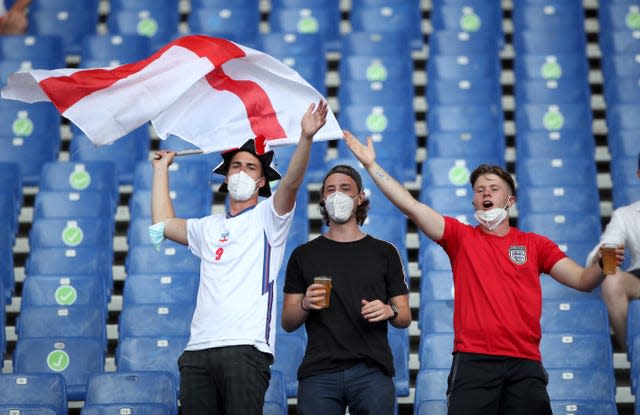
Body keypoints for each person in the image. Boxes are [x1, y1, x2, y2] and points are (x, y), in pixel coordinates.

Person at [342, 130, 625, 415]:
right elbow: (411, 206)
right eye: (479, 190)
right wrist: (370, 165)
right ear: (474, 202)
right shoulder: (460, 237)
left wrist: (602, 265)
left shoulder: (535, 244)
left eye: (493, 187)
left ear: (510, 200)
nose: (486, 192)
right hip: (473, 362)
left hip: (524, 363)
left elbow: (582, 280)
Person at [149, 100, 329, 415]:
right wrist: (160, 171)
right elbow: (161, 227)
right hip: (197, 352)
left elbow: (292, 183)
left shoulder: (269, 217)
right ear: (225, 177)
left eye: (250, 167)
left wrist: (306, 138)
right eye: (236, 166)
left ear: (261, 182)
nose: (241, 172)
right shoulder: (208, 226)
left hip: (246, 350)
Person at [281, 164, 411, 415]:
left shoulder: (385, 252)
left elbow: (404, 317)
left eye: (345, 188)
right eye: (331, 189)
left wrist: (389, 310)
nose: (337, 195)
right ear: (322, 198)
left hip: (372, 372)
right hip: (319, 373)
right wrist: (305, 304)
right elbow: (288, 321)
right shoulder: (303, 255)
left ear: (360, 197)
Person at [586, 152, 640, 351]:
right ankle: (633, 353)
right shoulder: (624, 216)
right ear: (638, 175)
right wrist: (603, 257)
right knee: (611, 278)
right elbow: (605, 250)